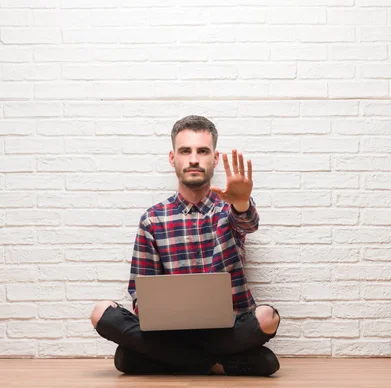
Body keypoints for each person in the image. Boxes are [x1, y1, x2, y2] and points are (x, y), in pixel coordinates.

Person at [89, 115, 281, 376]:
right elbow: (139, 291)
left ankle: (174, 360)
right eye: (185, 151)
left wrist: (243, 203)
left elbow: (248, 223)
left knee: (268, 318)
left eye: (202, 151)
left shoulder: (230, 210)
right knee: (101, 312)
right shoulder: (152, 219)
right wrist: (160, 312)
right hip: (170, 332)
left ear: (214, 158)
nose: (193, 159)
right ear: (173, 158)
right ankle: (214, 363)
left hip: (228, 329)